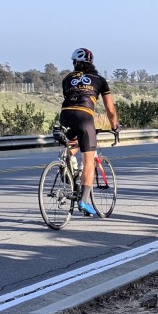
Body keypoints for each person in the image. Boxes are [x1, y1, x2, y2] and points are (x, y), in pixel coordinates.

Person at [59, 47, 119, 217]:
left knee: (74, 141)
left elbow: (70, 97)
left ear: (76, 63)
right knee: (89, 160)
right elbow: (110, 108)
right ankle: (84, 201)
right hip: (84, 118)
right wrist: (115, 126)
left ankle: (68, 160)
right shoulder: (99, 80)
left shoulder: (67, 78)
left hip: (64, 116)